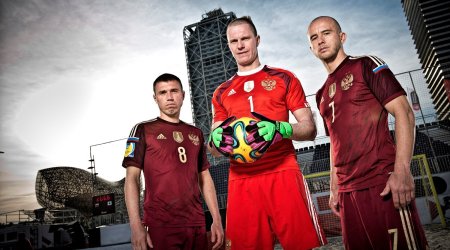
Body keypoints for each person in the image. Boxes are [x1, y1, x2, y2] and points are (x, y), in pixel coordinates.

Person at [307, 16, 429, 249]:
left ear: (342, 37)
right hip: (347, 194)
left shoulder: (366, 65)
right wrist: (334, 188)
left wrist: (401, 171)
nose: (320, 40)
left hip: (380, 183)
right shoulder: (322, 93)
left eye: (327, 33)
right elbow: (335, 141)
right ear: (311, 48)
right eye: (314, 37)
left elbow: (404, 113)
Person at [208, 16, 327, 250]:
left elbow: (309, 129)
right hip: (242, 180)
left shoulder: (284, 78)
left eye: (245, 38)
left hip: (282, 171)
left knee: (301, 246)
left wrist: (280, 129)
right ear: (228, 45)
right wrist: (217, 140)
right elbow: (214, 151)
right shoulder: (221, 92)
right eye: (234, 41)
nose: (240, 45)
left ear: (257, 40)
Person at [123, 73, 224, 250]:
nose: (169, 97)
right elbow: (131, 179)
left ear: (183, 95)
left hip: (196, 223)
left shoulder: (196, 133)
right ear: (155, 98)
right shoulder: (143, 129)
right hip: (161, 224)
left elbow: (204, 178)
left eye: (174, 91)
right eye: (163, 93)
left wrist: (216, 219)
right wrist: (135, 225)